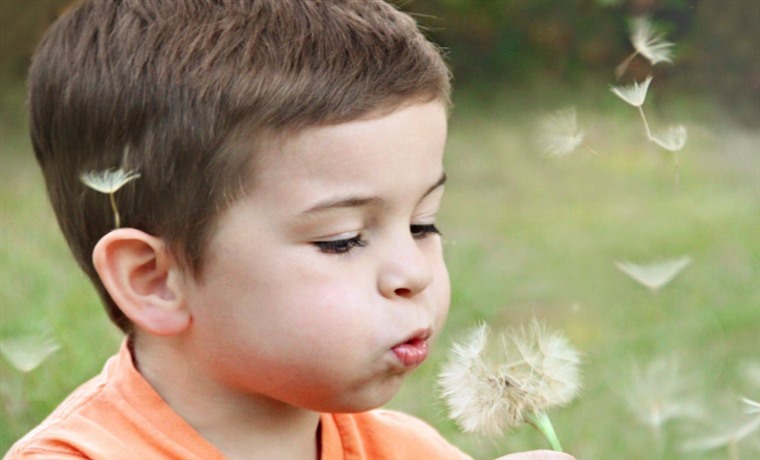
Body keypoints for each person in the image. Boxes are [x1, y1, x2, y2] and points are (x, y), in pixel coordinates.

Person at [6, 1, 575, 459]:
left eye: (423, 223)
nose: (414, 272)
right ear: (156, 279)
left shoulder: (409, 450)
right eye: (343, 239)